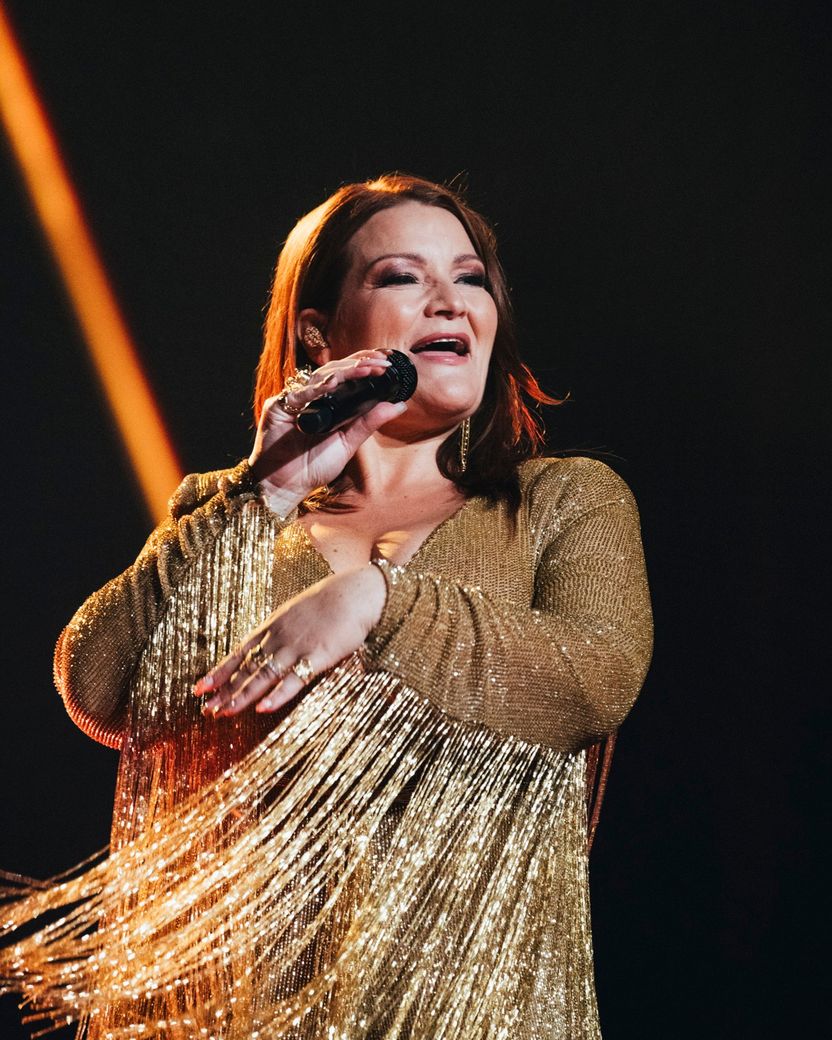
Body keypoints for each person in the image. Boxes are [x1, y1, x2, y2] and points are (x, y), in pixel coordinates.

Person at [1, 173, 653, 1039]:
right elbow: (100, 687)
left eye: (470, 278)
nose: (450, 301)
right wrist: (262, 492)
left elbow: (597, 676)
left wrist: (378, 600)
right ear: (318, 332)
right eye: (402, 276)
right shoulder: (233, 514)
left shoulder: (564, 501)